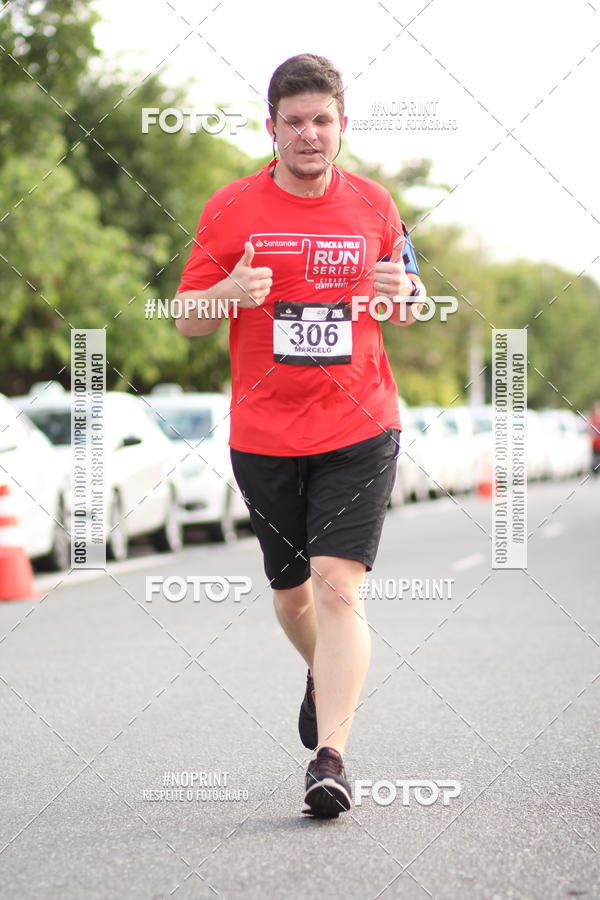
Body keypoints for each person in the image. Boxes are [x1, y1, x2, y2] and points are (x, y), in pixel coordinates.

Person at [176, 53, 426, 818]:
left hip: (360, 424)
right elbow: (186, 319)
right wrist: (228, 291)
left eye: (323, 120)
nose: (309, 135)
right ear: (271, 128)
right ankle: (325, 673)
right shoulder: (230, 208)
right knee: (292, 599)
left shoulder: (375, 205)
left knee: (337, 584)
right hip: (265, 434)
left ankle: (331, 758)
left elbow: (408, 303)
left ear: (342, 125)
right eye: (295, 122)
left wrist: (405, 291)